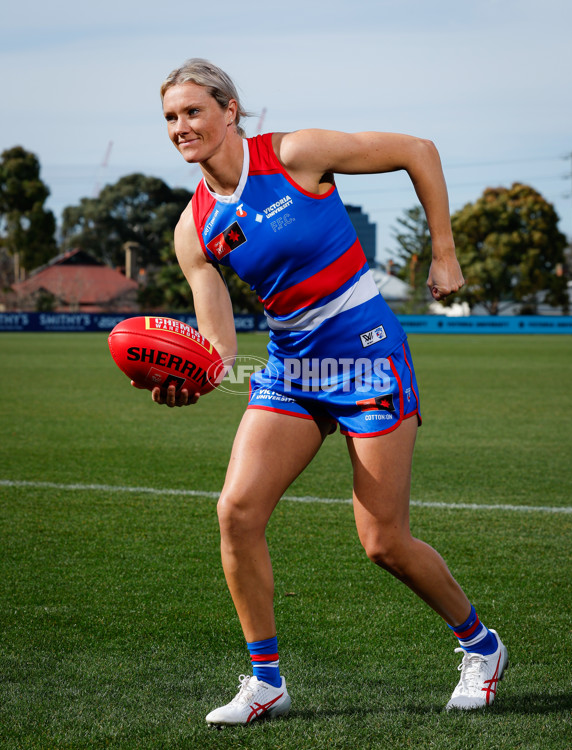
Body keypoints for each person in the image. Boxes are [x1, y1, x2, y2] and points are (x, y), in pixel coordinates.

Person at [152, 58, 508, 726]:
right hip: (293, 372)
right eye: (170, 117)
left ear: (231, 111)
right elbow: (221, 346)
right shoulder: (193, 229)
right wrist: (192, 379)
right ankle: (267, 682)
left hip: (370, 362)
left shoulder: (293, 155)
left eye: (193, 111)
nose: (181, 127)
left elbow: (417, 151)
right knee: (236, 512)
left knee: (383, 542)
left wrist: (443, 249)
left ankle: (482, 647)